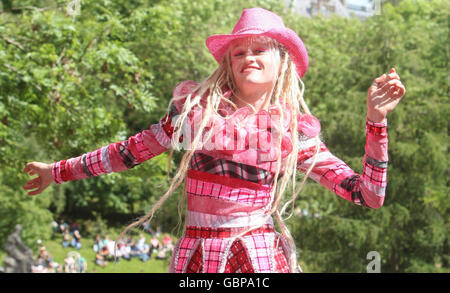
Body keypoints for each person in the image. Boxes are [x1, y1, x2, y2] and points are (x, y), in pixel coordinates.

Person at [23, 7, 405, 273]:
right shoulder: (194, 115)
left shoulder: (293, 134)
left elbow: (368, 195)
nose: (248, 58)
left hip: (257, 257)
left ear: (281, 62)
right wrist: (55, 172)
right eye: (239, 52)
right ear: (228, 63)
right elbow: (127, 153)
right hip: (196, 258)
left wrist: (376, 122)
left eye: (259, 50)